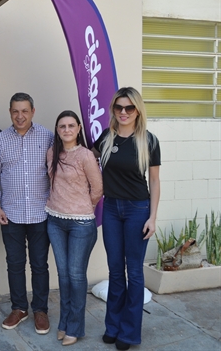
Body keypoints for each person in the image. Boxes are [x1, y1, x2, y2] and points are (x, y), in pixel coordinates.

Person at [93, 87, 160, 351]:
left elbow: (154, 182)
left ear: (137, 110)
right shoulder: (106, 138)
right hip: (110, 209)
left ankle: (130, 333)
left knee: (134, 272)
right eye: (119, 107)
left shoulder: (149, 141)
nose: (123, 112)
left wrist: (153, 217)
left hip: (137, 210)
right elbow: (86, 160)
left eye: (129, 108)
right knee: (114, 272)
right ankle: (113, 327)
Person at [0, 92, 54, 334]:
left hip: (40, 214)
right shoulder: (0, 140)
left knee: (39, 265)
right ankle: (19, 308)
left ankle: (41, 310)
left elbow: (57, 171)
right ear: (10, 112)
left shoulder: (47, 137)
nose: (20, 115)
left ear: (33, 112)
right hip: (10, 214)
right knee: (14, 264)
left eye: (25, 111)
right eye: (15, 111)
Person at [45, 110, 103, 346]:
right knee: (64, 275)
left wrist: (81, 207)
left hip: (81, 224)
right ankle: (64, 322)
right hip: (55, 221)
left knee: (76, 276)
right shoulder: (52, 153)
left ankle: (75, 327)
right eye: (62, 126)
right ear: (57, 130)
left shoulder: (86, 156)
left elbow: (98, 188)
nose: (66, 130)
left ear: (79, 128)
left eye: (71, 126)